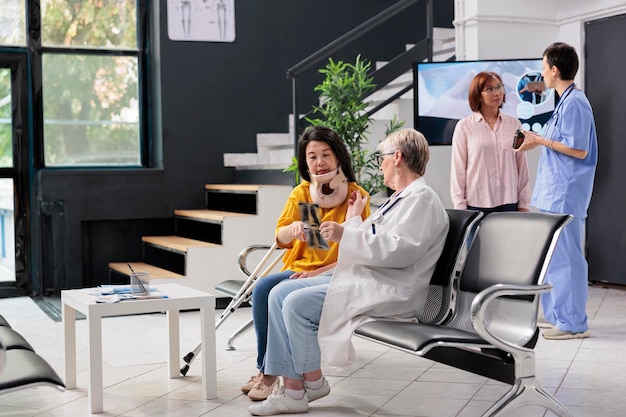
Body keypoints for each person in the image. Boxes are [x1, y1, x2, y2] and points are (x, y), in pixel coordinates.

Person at [248, 128, 449, 415]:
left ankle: (304, 385)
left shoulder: (421, 199)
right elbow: (372, 240)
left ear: (398, 158)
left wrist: (346, 233)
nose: (380, 164)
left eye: (382, 157)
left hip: (391, 288)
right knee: (278, 292)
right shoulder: (400, 198)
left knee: (293, 301)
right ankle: (299, 387)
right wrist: (353, 223)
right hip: (370, 278)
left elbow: (400, 251)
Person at [241, 126, 370, 400]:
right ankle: (267, 369)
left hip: (333, 272)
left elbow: (359, 249)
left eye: (326, 154)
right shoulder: (302, 193)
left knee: (274, 293)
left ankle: (270, 375)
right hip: (300, 267)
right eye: (312, 157)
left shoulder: (356, 196)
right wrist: (295, 227)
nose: (320, 162)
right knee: (263, 287)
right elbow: (280, 236)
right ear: (305, 162)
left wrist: (318, 272)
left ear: (339, 158)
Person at [516, 42, 598, 340]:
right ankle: (557, 315)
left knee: (567, 259)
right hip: (554, 194)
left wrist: (541, 142)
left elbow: (579, 149)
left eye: (543, 66)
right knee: (553, 258)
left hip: (565, 194)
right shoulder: (563, 101)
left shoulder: (575, 102)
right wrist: (537, 138)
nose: (541, 72)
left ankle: (573, 323)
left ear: (554, 69)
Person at [450, 71, 531, 214]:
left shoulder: (514, 124)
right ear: (478, 94)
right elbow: (458, 170)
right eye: (490, 89)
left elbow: (522, 167)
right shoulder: (464, 127)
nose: (497, 93)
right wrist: (460, 207)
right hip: (476, 206)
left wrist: (524, 204)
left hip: (510, 204)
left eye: (499, 87)